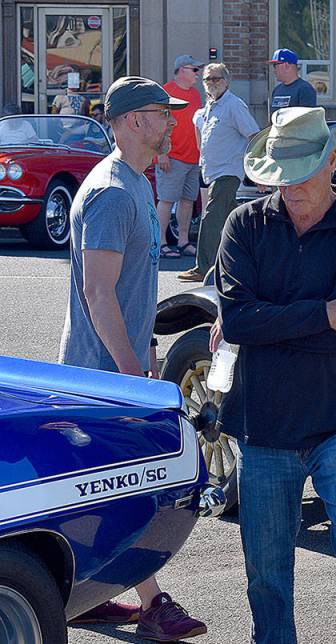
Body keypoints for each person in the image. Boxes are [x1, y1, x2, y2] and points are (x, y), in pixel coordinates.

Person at [215, 106, 336, 643]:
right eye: (280, 175)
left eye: (300, 174)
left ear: (329, 165)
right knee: (265, 567)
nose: (289, 186)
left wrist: (271, 321)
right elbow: (238, 320)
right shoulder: (244, 224)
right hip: (264, 423)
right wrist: (320, 313)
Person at [59, 75, 207, 642]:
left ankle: (82, 595)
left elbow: (129, 291)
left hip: (114, 367)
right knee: (131, 489)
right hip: (101, 375)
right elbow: (99, 292)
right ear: (130, 121)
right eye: (162, 113)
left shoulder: (137, 185)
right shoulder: (112, 193)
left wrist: (142, 351)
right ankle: (151, 602)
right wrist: (129, 375)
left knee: (101, 490)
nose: (173, 120)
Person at [177, 63, 259, 282]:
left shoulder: (234, 106)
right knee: (236, 220)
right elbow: (200, 140)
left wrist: (257, 172)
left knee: (211, 216)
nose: (212, 83)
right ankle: (251, 259)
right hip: (209, 172)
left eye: (217, 79)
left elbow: (254, 136)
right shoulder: (206, 110)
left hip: (229, 171)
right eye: (208, 79)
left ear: (227, 81)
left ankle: (203, 267)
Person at [156, 54, 204, 259]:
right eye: (195, 70)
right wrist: (161, 153)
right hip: (172, 156)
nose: (198, 75)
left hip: (193, 158)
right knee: (166, 200)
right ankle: (160, 242)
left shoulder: (195, 94)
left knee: (187, 201)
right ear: (182, 70)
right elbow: (158, 126)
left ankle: (183, 241)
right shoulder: (165, 92)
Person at [268, 48, 317, 114]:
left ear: (286, 65)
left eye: (275, 66)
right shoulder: (276, 90)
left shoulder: (305, 89)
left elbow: (307, 120)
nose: (274, 71)